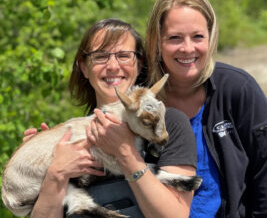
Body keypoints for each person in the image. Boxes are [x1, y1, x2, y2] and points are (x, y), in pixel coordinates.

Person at [24, 18, 198, 218]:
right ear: (83, 67)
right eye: (100, 56)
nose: (113, 66)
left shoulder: (170, 123)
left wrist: (125, 152)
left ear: (139, 64)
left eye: (124, 56)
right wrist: (51, 171)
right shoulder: (69, 140)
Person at [145, 0, 267, 217]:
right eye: (175, 38)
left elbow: (263, 177)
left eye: (198, 36)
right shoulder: (140, 99)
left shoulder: (240, 89)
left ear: (211, 37)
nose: (188, 49)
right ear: (157, 40)